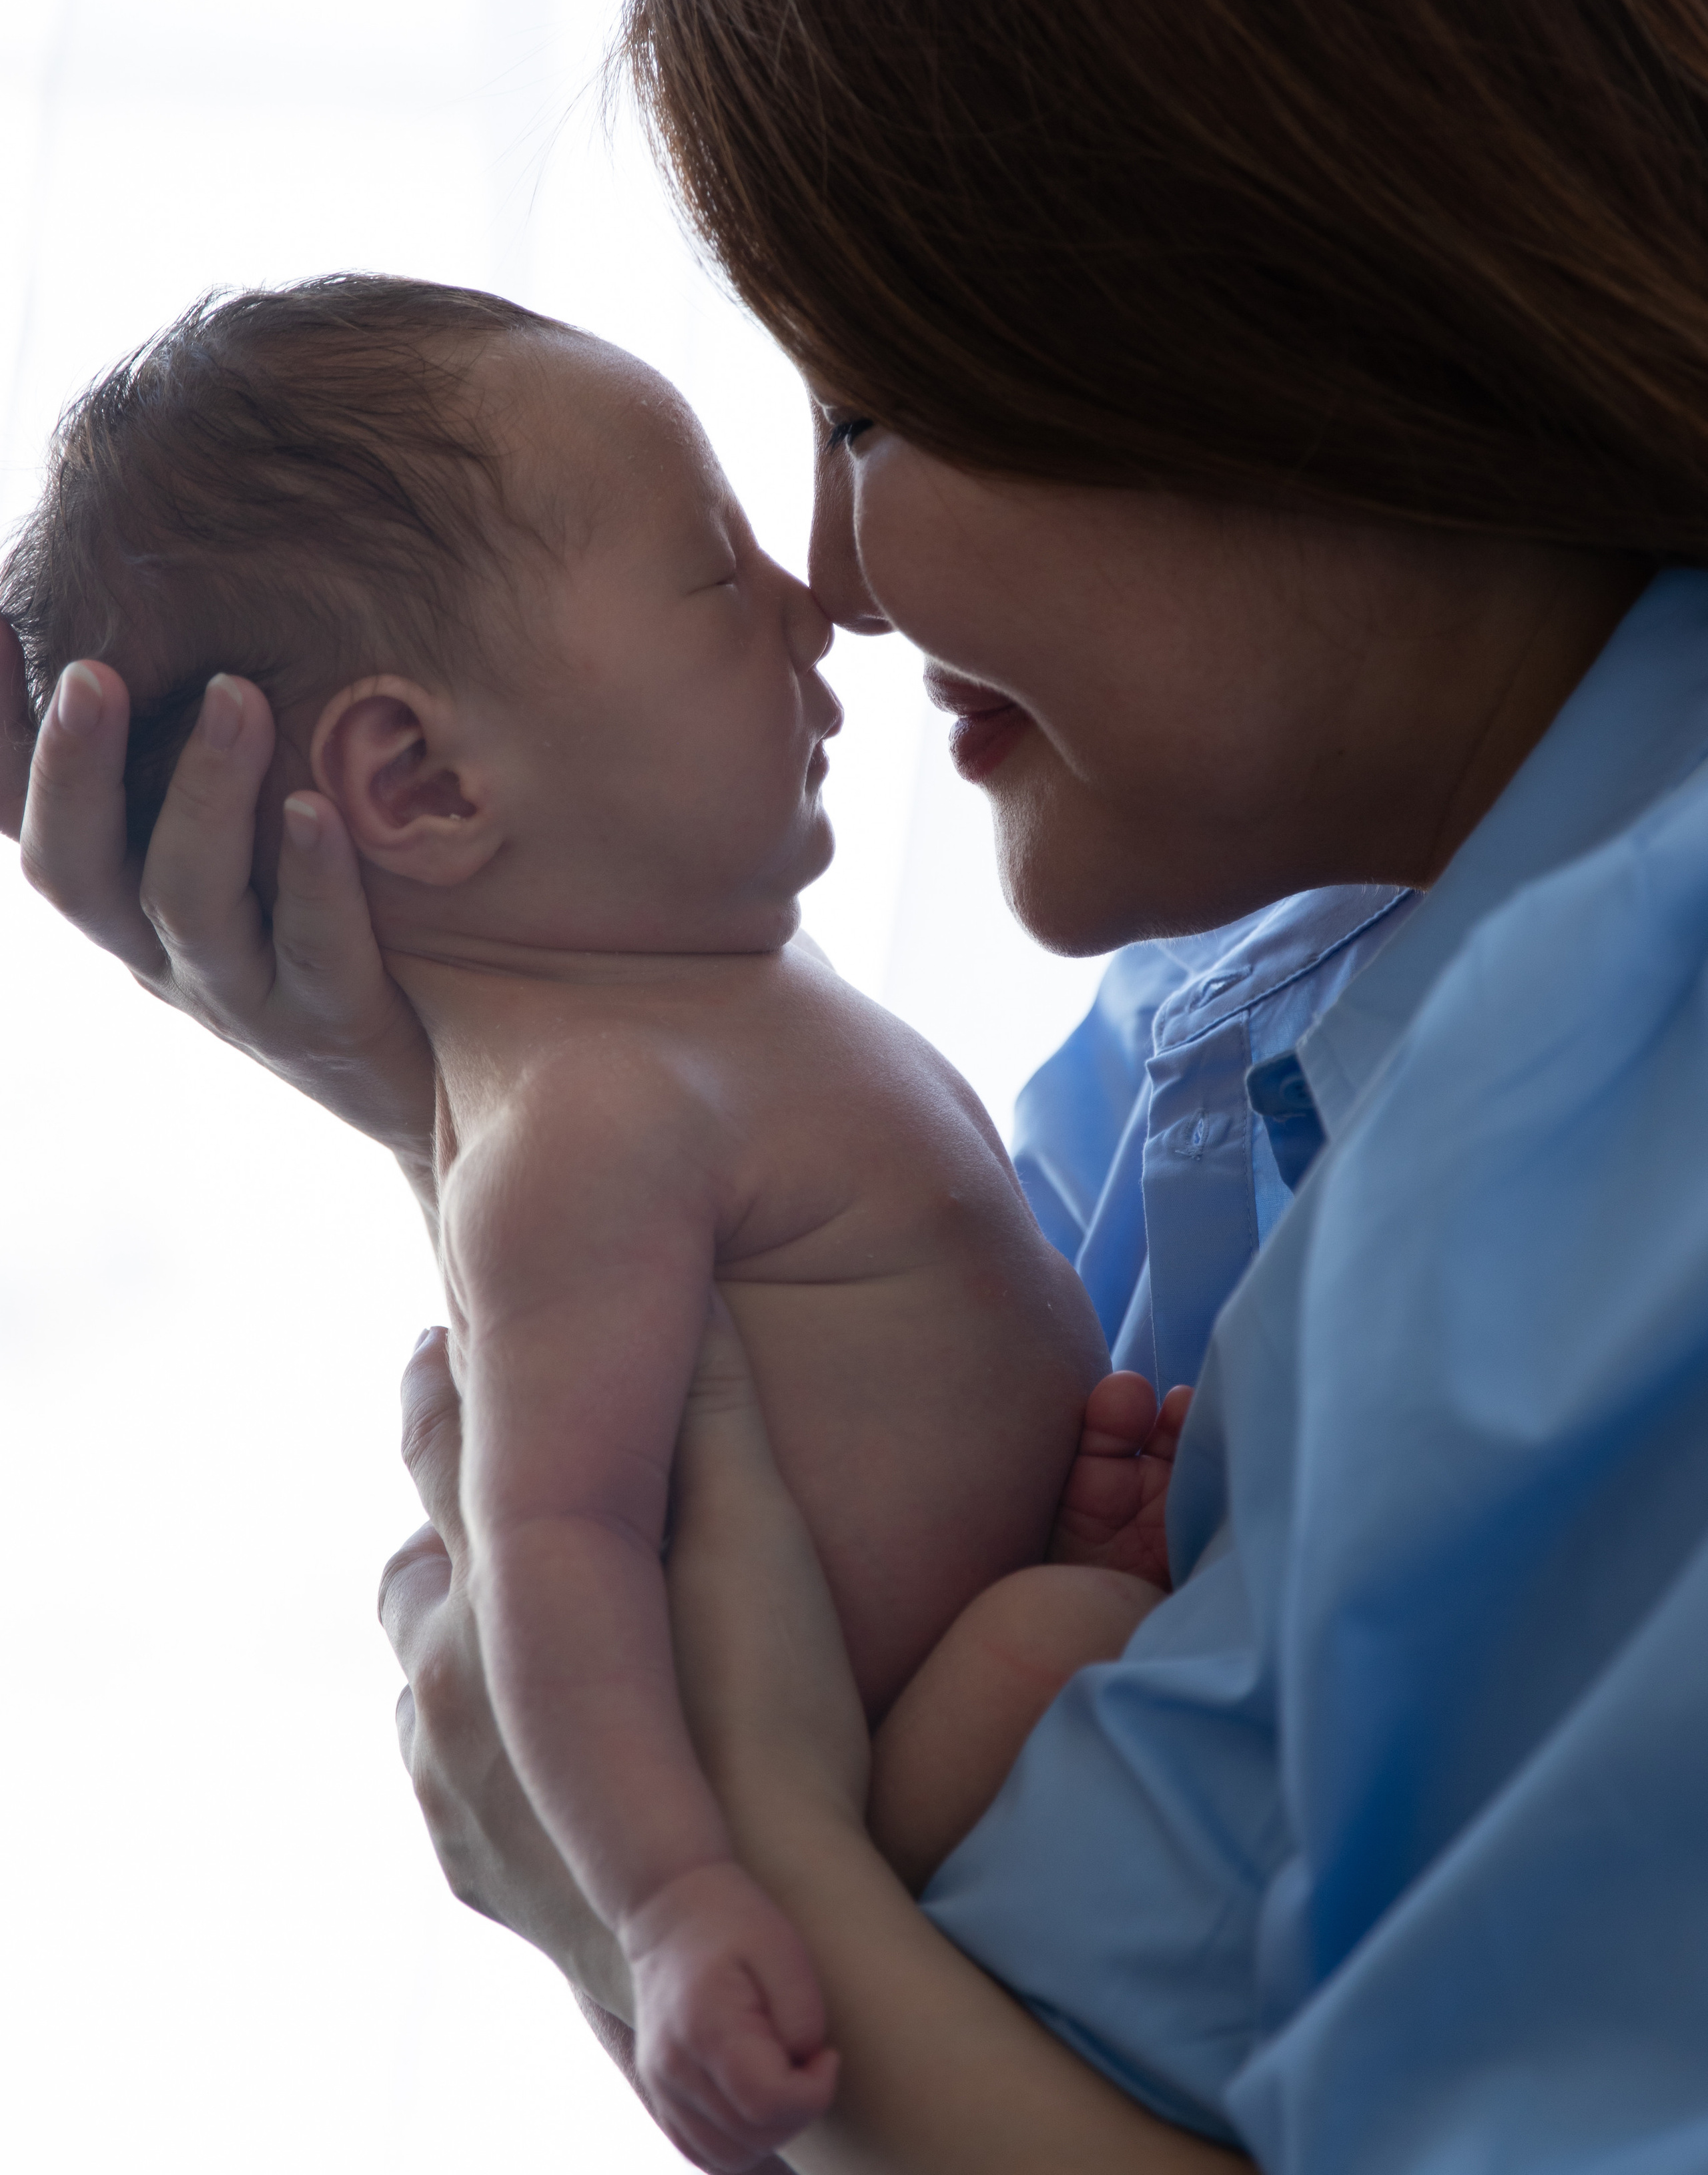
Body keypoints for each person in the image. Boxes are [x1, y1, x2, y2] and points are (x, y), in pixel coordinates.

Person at [9, 0, 1708, 2163]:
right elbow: (757, 1490)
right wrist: (422, 1059)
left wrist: (694, 1902)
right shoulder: (1200, 1050)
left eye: (873, 405)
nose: (834, 578)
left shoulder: (1641, 1075)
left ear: (1313, 288)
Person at [1, 275, 1192, 2168]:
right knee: (1063, 1652)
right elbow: (550, 1552)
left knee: (1074, 1631)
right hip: (901, 1808)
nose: (813, 603)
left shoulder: (711, 1007)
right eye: (718, 577)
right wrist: (669, 1904)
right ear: (423, 781)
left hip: (974, 1682)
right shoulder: (580, 1122)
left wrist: (1038, 1501)